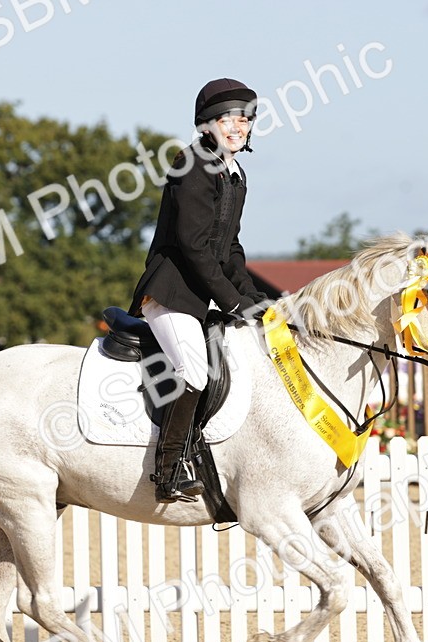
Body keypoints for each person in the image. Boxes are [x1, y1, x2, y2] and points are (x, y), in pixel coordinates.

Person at [128, 78, 269, 504]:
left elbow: (231, 248)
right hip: (171, 294)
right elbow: (194, 246)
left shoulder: (235, 173)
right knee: (192, 369)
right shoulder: (191, 163)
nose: (237, 126)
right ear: (206, 123)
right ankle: (168, 470)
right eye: (228, 118)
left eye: (244, 118)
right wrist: (233, 301)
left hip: (200, 296)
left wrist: (256, 300)